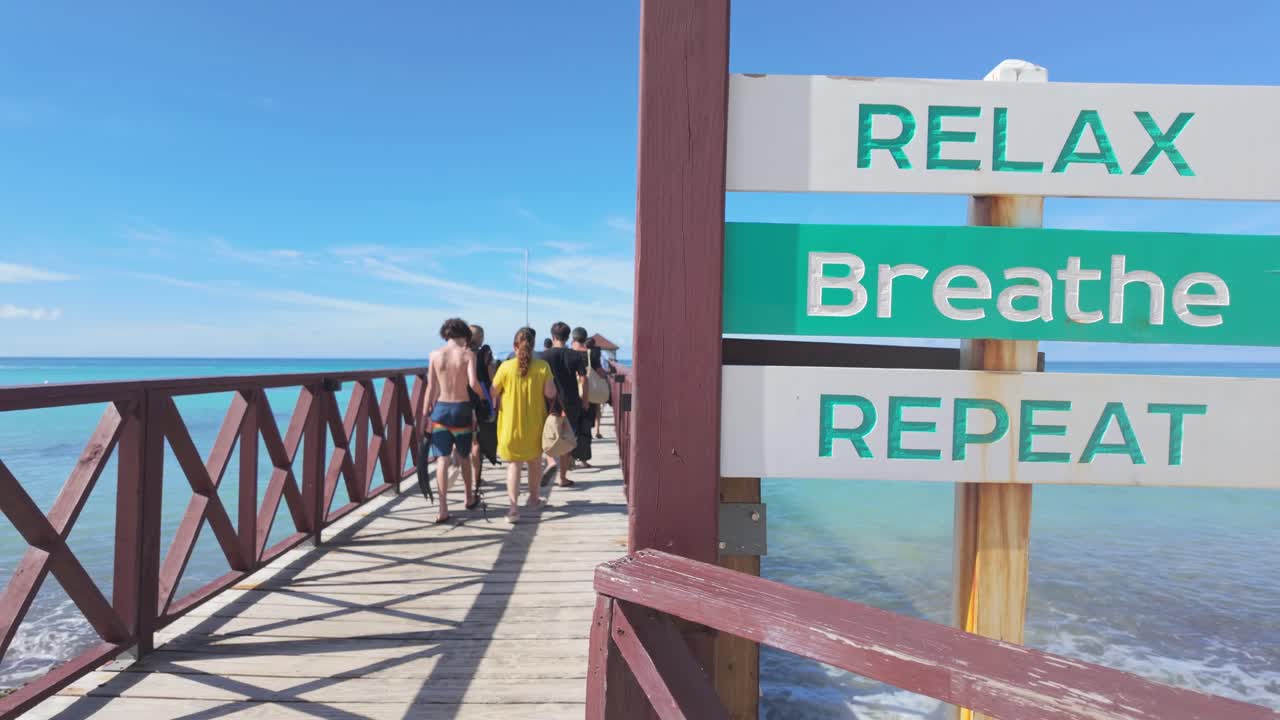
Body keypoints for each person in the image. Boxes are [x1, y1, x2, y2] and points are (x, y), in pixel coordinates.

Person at [491, 327, 556, 523]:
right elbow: (550, 394)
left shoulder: (505, 367)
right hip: (534, 425)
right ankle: (534, 499)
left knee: (514, 466)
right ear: (534, 346)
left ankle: (513, 510)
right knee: (535, 463)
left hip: (510, 426)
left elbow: (493, 392)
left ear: (514, 346)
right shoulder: (543, 367)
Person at [423, 318, 484, 523]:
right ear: (465, 334)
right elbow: (473, 383)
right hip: (461, 410)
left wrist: (425, 412)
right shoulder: (468, 355)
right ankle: (468, 497)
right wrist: (485, 396)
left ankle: (443, 508)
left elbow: (431, 387)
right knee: (464, 456)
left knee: (442, 459)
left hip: (440, 410)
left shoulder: (434, 355)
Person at [540, 321, 588, 486]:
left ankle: (550, 460)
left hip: (548, 401)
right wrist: (586, 400)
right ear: (568, 337)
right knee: (567, 438)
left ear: (553, 337)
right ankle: (562, 478)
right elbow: (583, 379)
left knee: (546, 434)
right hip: (571, 401)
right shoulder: (575, 355)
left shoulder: (543, 356)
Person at [469, 325, 498, 485]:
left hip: (460, 399)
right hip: (479, 399)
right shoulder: (484, 354)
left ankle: (454, 463)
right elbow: (491, 376)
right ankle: (476, 478)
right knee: (476, 441)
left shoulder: (461, 354)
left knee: (459, 436)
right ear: (480, 338)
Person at [571, 327, 598, 467]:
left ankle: (569, 458)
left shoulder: (569, 354)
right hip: (588, 396)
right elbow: (599, 372)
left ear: (574, 339)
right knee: (585, 429)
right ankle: (583, 459)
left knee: (571, 428)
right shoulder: (591, 354)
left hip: (572, 395)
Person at [587, 337, 608, 439]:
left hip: (585, 385)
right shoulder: (596, 353)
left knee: (586, 409)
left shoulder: (581, 353)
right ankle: (598, 430)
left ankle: (588, 432)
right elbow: (599, 369)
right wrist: (606, 376)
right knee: (597, 408)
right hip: (595, 385)